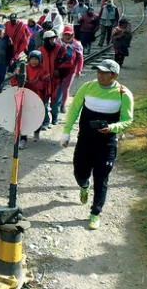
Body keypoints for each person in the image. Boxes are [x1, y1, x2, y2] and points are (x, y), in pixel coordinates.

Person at [60, 59, 133, 230]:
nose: (99, 75)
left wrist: (112, 127)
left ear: (114, 75)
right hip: (85, 139)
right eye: (98, 72)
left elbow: (127, 120)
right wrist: (66, 132)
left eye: (104, 72)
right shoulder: (87, 87)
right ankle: (84, 186)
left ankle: (95, 213)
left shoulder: (123, 94)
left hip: (107, 144)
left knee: (101, 179)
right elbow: (74, 109)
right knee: (79, 171)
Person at [11, 51, 49, 148]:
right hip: (25, 97)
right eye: (32, 59)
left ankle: (36, 131)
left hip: (37, 97)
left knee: (37, 117)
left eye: (36, 59)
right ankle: (23, 139)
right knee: (24, 118)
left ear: (40, 60)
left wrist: (34, 84)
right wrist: (20, 83)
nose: (34, 61)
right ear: (29, 59)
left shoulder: (43, 70)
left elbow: (46, 84)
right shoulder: (23, 68)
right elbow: (14, 80)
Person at [40, 30, 75, 128]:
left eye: (54, 38)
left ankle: (55, 117)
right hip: (45, 82)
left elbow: (68, 63)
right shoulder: (40, 50)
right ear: (46, 40)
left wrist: (59, 71)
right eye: (51, 39)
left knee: (55, 104)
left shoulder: (61, 49)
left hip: (57, 82)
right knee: (43, 103)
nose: (53, 40)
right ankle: (45, 121)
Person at [58, 25, 84, 113]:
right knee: (57, 87)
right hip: (58, 70)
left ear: (73, 35)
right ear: (63, 34)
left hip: (70, 70)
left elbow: (80, 58)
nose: (68, 36)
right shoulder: (58, 42)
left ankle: (62, 105)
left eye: (70, 34)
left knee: (66, 88)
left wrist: (79, 70)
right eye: (66, 34)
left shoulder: (77, 45)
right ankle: (56, 104)